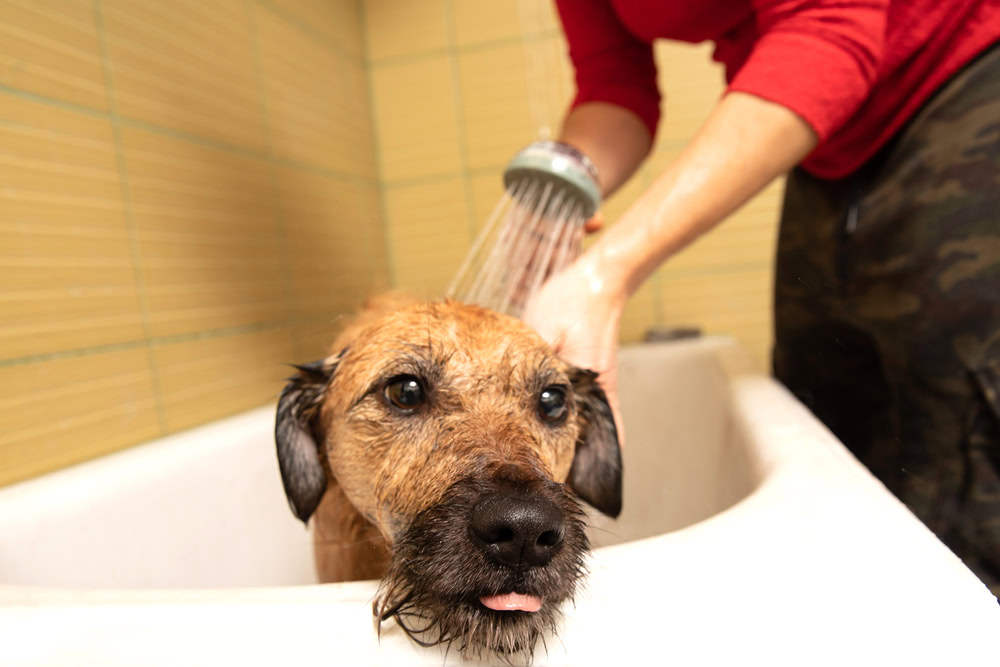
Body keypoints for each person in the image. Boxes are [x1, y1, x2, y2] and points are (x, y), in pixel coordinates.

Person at [522, 0, 1000, 595]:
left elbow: (829, 25)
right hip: (830, 143)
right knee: (823, 401)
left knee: (955, 412)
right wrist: (566, 179)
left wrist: (610, 270)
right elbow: (614, 83)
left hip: (961, 73)